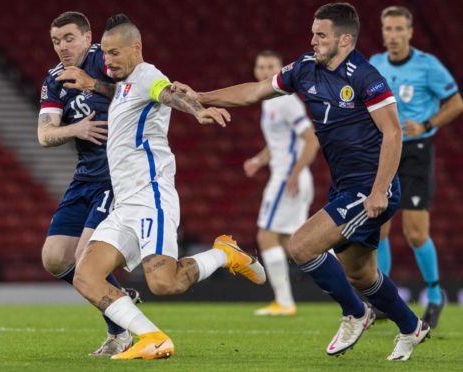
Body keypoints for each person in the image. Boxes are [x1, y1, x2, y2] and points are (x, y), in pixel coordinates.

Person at [173, 3, 430, 361]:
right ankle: (412, 327)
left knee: (301, 246)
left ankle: (355, 314)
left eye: (320, 35)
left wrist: (377, 190)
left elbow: (393, 134)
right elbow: (255, 91)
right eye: (312, 33)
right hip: (345, 186)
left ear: (344, 39)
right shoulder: (305, 69)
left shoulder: (366, 77)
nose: (313, 40)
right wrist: (200, 96)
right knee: (360, 273)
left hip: (370, 187)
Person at [57, 14, 266, 360]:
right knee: (86, 276)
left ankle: (225, 254)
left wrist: (197, 110)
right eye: (105, 54)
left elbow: (167, 93)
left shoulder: (149, 75)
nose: (106, 61)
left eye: (113, 53)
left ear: (136, 48)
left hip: (151, 198)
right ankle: (152, 337)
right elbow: (124, 95)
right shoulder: (124, 83)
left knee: (164, 283)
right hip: (124, 205)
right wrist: (95, 86)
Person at [37, 11, 139, 357]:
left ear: (86, 36)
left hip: (117, 174)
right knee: (54, 258)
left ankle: (121, 329)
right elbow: (45, 134)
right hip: (85, 177)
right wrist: (75, 130)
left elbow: (139, 94)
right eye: (55, 41)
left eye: (68, 38)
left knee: (84, 260)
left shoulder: (107, 60)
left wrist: (94, 84)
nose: (62, 47)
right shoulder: (54, 80)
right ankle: (120, 307)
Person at [370, 6, 463, 328]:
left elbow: (456, 103)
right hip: (385, 151)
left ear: (410, 32)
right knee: (379, 225)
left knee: (414, 231)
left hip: (417, 153)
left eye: (399, 29)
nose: (393, 35)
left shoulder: (428, 66)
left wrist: (426, 124)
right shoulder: (376, 64)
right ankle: (383, 297)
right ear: (383, 32)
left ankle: (435, 294)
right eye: (388, 29)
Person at [243, 51, 319, 316]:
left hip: (288, 178)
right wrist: (259, 159)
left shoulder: (286, 100)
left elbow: (311, 139)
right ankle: (346, 279)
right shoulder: (270, 102)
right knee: (295, 242)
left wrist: (295, 173)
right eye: (260, 66)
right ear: (255, 71)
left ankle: (284, 302)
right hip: (288, 174)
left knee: (266, 236)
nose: (265, 71)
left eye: (270, 67)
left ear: (280, 70)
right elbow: (279, 143)